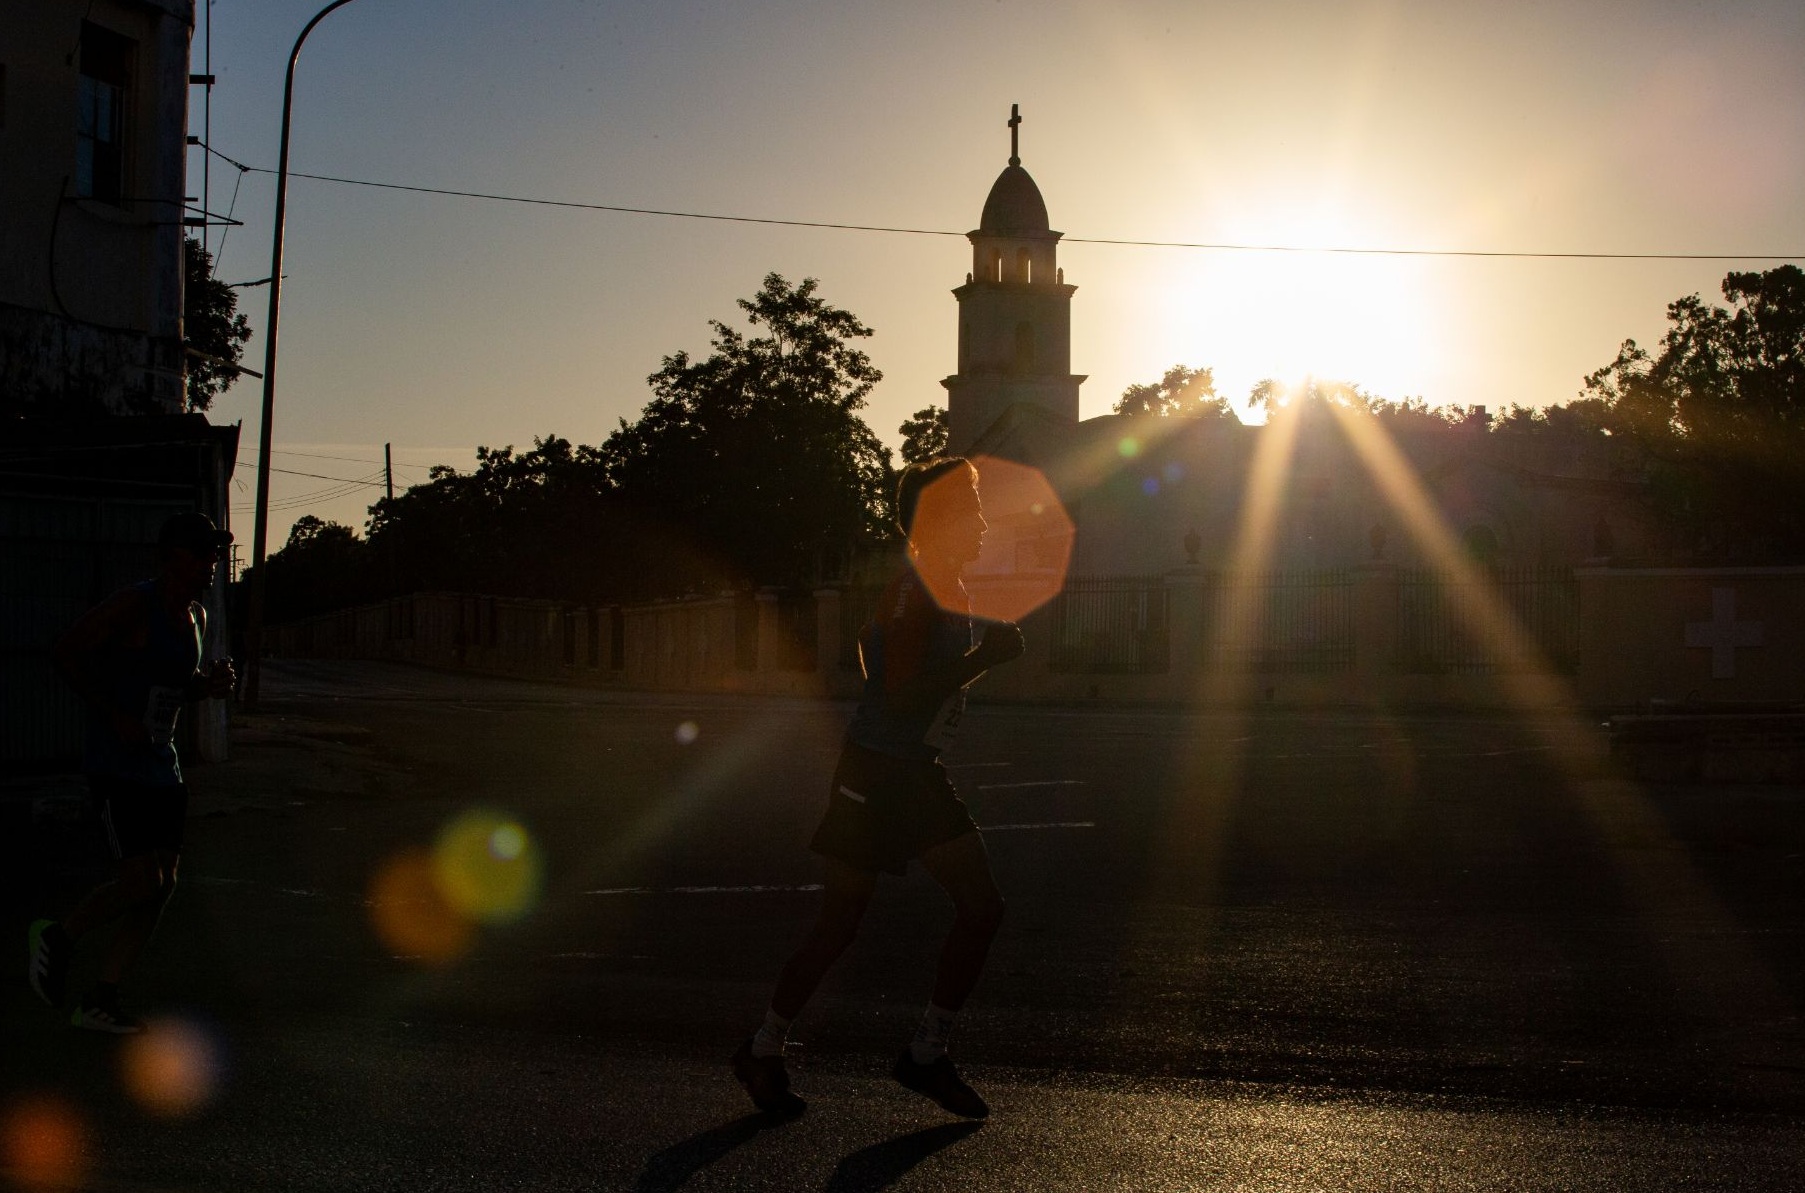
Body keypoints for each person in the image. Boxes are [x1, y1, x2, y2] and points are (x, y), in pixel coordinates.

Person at [732, 456, 1025, 1119]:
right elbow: (894, 693)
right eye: (971, 508)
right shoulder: (918, 586)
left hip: (893, 767)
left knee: (844, 922)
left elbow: (873, 654)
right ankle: (922, 1055)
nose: (981, 521)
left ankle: (765, 1047)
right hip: (885, 773)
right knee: (976, 909)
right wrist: (985, 658)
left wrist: (959, 667)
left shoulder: (933, 585)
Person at [28, 512, 237, 1033]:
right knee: (141, 878)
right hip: (116, 764)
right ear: (170, 558)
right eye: (200, 552)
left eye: (213, 552)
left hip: (161, 767)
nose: (210, 562)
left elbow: (176, 685)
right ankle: (58, 936)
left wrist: (207, 687)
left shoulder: (197, 618)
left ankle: (101, 998)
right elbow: (66, 652)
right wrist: (112, 713)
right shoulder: (133, 605)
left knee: (162, 884)